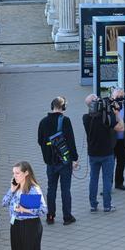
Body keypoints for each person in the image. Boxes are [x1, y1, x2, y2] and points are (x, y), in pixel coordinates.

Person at [1, 161, 61, 250]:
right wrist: (11, 190)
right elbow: (4, 203)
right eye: (14, 173)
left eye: (17, 173)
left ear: (26, 173)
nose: (14, 176)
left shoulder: (33, 189)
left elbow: (44, 210)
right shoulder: (15, 187)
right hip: (15, 225)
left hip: (30, 227)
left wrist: (26, 210)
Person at [37, 96, 79, 226]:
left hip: (50, 162)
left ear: (52, 106)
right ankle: (67, 217)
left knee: (51, 189)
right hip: (65, 161)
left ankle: (50, 216)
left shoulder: (43, 121)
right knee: (65, 190)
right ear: (63, 107)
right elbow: (71, 141)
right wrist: (75, 158)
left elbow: (40, 141)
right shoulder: (65, 121)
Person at [82, 94, 121, 212]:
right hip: (107, 153)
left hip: (93, 153)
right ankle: (107, 205)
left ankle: (93, 205)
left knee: (93, 179)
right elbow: (121, 128)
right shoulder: (107, 117)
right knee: (107, 179)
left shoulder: (85, 118)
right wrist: (117, 114)